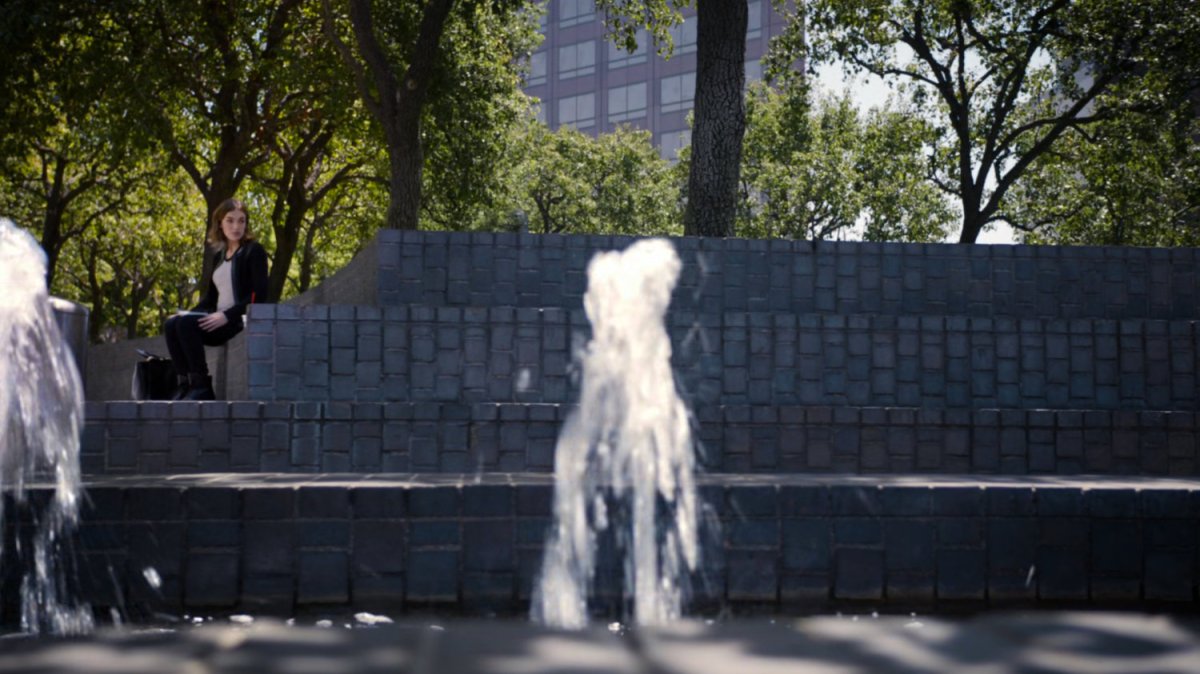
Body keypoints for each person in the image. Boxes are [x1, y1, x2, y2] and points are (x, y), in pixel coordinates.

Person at [164, 197, 268, 400]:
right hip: (217, 318)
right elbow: (210, 299)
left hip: (238, 320)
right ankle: (185, 384)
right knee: (172, 324)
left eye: (241, 220)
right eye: (230, 220)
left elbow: (259, 295)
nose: (236, 226)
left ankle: (202, 386)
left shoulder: (253, 251)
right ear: (220, 222)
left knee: (185, 325)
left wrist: (227, 316)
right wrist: (189, 312)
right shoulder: (218, 256)